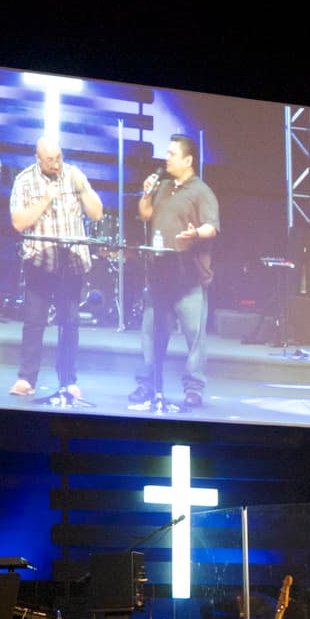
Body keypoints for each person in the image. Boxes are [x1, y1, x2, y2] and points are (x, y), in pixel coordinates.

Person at [128, 133, 220, 411]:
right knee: (151, 333)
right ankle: (148, 384)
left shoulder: (201, 191)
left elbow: (212, 227)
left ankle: (193, 389)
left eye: (172, 154)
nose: (166, 158)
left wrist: (196, 233)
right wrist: (146, 193)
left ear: (188, 160)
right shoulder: (163, 186)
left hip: (189, 276)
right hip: (159, 274)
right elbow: (145, 214)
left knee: (195, 337)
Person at [8, 136, 103, 400]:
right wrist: (44, 201)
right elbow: (18, 223)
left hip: (71, 263)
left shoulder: (73, 175)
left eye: (59, 157)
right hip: (40, 262)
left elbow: (97, 213)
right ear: (38, 158)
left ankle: (68, 380)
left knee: (69, 323)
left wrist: (84, 189)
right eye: (50, 159)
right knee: (34, 321)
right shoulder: (24, 180)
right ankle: (26, 379)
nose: (56, 164)